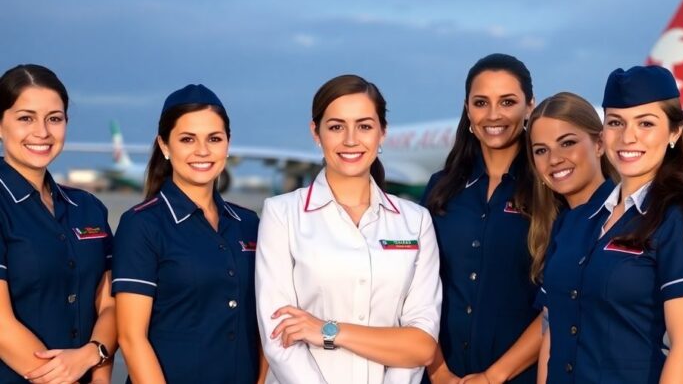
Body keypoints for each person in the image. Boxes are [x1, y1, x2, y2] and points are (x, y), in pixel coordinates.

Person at [255, 74, 442, 384]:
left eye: (365, 126)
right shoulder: (281, 215)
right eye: (336, 126)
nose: (351, 140)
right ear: (316, 133)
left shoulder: (416, 221)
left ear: (383, 133)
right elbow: (279, 340)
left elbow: (420, 347)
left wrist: (329, 330)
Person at [538, 66, 683, 383]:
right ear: (603, 133)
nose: (627, 137)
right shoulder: (575, 222)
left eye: (645, 123)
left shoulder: (676, 219)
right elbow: (553, 330)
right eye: (616, 122)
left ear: (674, 132)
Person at [112, 84, 266, 383]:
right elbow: (132, 339)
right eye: (187, 139)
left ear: (228, 144)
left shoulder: (249, 223)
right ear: (165, 146)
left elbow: (262, 325)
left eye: (214, 139)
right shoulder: (142, 225)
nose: (203, 151)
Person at [422, 53, 540, 384]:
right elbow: (414, 286)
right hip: (441, 374)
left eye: (507, 102)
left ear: (530, 106)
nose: (493, 115)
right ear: (467, 108)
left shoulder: (549, 192)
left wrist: (492, 377)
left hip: (518, 377)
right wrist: (438, 370)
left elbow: (559, 301)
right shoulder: (440, 188)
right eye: (481, 102)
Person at [0, 64, 116, 383]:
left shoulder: (88, 208)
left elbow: (108, 303)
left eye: (55, 118)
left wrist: (95, 357)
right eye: (26, 118)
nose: (42, 132)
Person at [523, 92, 616, 382]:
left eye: (567, 143)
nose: (554, 159)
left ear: (599, 143)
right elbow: (552, 331)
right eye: (541, 150)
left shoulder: (633, 217)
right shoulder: (559, 227)